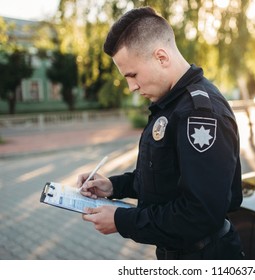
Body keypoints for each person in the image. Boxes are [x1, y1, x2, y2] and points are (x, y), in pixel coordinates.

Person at [77, 6, 244, 260]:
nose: (131, 87)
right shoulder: (172, 104)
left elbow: (199, 214)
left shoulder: (200, 113)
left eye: (132, 75)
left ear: (161, 57)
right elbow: (164, 178)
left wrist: (123, 221)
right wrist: (113, 186)